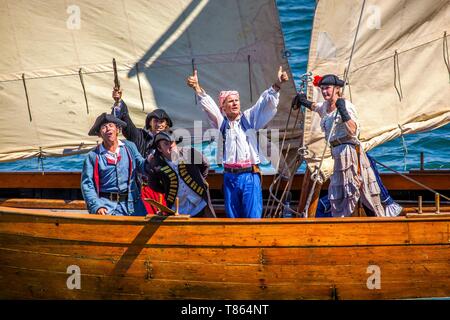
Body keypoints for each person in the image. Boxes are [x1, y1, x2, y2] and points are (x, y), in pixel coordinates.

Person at [186, 67, 289, 218]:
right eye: (230, 101)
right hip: (230, 177)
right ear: (223, 107)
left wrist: (277, 84)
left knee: (252, 217)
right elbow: (208, 105)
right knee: (233, 217)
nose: (235, 103)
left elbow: (264, 102)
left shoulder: (249, 118)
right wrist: (197, 87)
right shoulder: (221, 123)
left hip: (249, 176)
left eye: (237, 100)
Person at [292, 74, 387, 217]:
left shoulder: (346, 106)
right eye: (322, 89)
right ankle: (342, 221)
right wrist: (303, 101)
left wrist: (342, 110)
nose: (324, 92)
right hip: (337, 153)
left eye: (327, 88)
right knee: (342, 191)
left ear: (337, 89)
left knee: (355, 187)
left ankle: (375, 220)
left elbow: (353, 130)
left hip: (349, 151)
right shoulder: (325, 106)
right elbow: (315, 107)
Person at [110, 87, 173, 215]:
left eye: (162, 122)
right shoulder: (139, 136)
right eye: (156, 121)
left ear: (166, 125)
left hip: (166, 189)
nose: (159, 124)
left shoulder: (172, 143)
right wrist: (118, 102)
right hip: (143, 188)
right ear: (149, 123)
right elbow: (125, 122)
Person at [81, 112, 147, 216]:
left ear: (118, 130)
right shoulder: (93, 156)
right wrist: (97, 206)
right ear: (99, 134)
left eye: (111, 125)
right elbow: (87, 185)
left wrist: (151, 162)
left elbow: (142, 165)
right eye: (104, 127)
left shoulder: (130, 147)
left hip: (133, 206)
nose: (108, 129)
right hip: (107, 207)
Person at [145, 131, 216, 217]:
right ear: (160, 149)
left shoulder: (189, 152)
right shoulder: (156, 164)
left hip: (201, 203)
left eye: (172, 142)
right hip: (178, 208)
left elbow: (205, 165)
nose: (170, 145)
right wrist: (166, 189)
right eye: (166, 144)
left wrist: (199, 180)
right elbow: (153, 184)